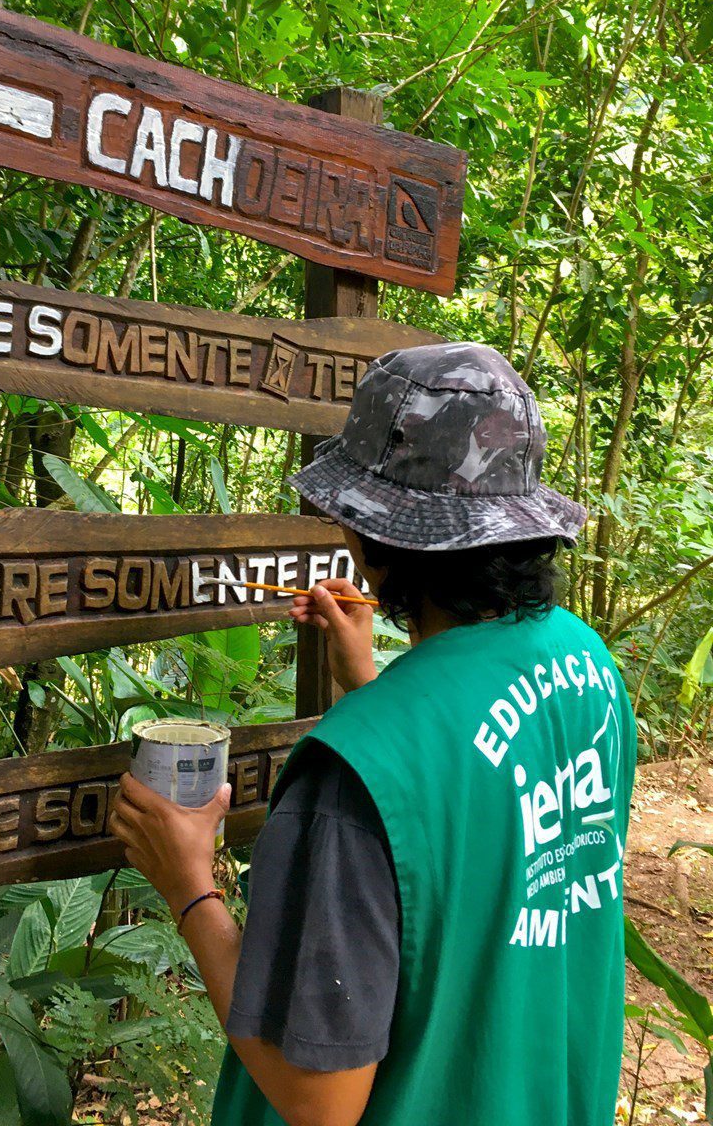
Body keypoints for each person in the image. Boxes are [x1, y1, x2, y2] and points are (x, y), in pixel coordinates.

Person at [109, 342, 636, 1126]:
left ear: (374, 533)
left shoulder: (349, 777)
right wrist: (372, 681)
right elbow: (480, 810)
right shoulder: (585, 664)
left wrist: (189, 887)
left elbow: (319, 1098)